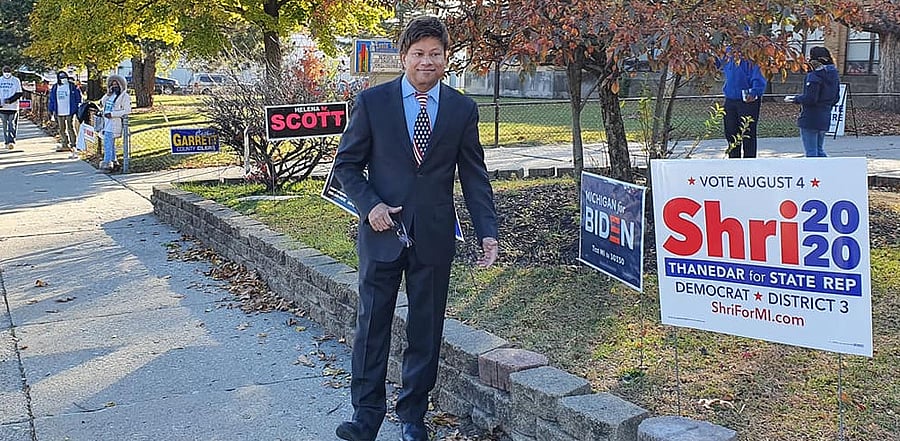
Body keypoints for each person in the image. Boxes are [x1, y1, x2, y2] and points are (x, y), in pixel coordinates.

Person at [332, 16, 499, 441]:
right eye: (418, 53)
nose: (427, 61)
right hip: (381, 234)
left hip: (434, 237)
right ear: (403, 56)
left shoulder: (463, 108)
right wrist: (370, 206)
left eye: (435, 54)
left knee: (426, 329)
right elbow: (347, 167)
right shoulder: (372, 103)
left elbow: (474, 176)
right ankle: (365, 417)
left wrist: (488, 232)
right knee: (372, 327)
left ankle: (412, 418)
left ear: (446, 58)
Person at [784, 46, 841, 157]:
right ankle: (827, 171)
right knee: (819, 150)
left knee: (811, 152)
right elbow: (836, 98)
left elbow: (810, 99)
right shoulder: (834, 75)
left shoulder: (813, 76)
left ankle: (814, 173)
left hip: (810, 117)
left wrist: (795, 99)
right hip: (825, 115)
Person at [718, 48, 767, 158]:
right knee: (731, 133)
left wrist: (755, 91)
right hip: (730, 99)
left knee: (747, 134)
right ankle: (734, 161)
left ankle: (749, 163)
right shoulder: (728, 54)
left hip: (748, 100)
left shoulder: (751, 54)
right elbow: (716, 63)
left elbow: (758, 74)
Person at [98, 74, 131, 172]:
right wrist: (108, 93)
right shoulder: (111, 95)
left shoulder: (124, 96)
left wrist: (112, 114)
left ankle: (107, 163)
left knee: (108, 143)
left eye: (116, 85)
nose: (114, 87)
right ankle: (114, 161)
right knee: (109, 144)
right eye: (112, 85)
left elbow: (127, 110)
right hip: (106, 123)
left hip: (114, 123)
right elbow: (102, 103)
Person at [47, 71, 83, 152]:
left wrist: (77, 107)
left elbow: (78, 97)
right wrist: (51, 109)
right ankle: (64, 144)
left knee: (70, 127)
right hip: (59, 111)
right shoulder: (55, 87)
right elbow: (52, 99)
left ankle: (73, 144)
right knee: (61, 129)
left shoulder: (72, 86)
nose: (63, 79)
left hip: (70, 110)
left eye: (64, 77)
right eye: (61, 77)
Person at [0, 66, 23, 150]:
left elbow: (19, 93)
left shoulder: (15, 80)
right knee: (5, 125)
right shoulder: (0, 80)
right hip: (2, 108)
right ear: (2, 71)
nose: (7, 73)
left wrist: (10, 100)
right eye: (5, 71)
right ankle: (6, 142)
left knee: (12, 124)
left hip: (13, 107)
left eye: (8, 71)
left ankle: (11, 141)